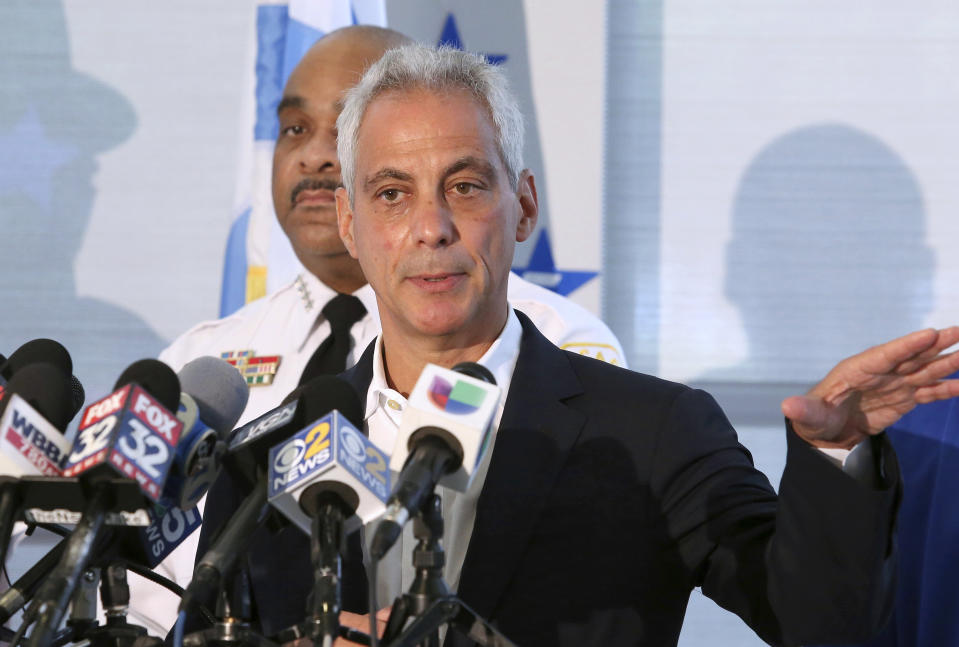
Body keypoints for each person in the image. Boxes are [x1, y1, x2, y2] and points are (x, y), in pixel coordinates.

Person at [193, 43, 959, 646]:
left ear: (522, 207)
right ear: (353, 228)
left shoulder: (656, 431)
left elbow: (817, 624)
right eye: (393, 194)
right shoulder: (265, 455)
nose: (431, 228)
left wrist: (836, 456)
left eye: (464, 185)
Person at [133, 26, 626, 636]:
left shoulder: (555, 340)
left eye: (341, 128)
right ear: (350, 215)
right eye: (294, 129)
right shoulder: (203, 361)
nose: (314, 156)